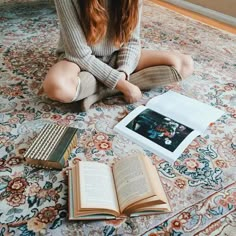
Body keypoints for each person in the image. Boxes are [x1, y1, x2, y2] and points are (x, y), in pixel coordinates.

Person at [43, 0, 194, 111]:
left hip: (116, 56)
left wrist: (123, 72)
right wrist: (124, 86)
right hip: (79, 61)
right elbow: (79, 54)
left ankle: (101, 92)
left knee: (184, 64)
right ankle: (115, 85)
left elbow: (132, 42)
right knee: (57, 87)